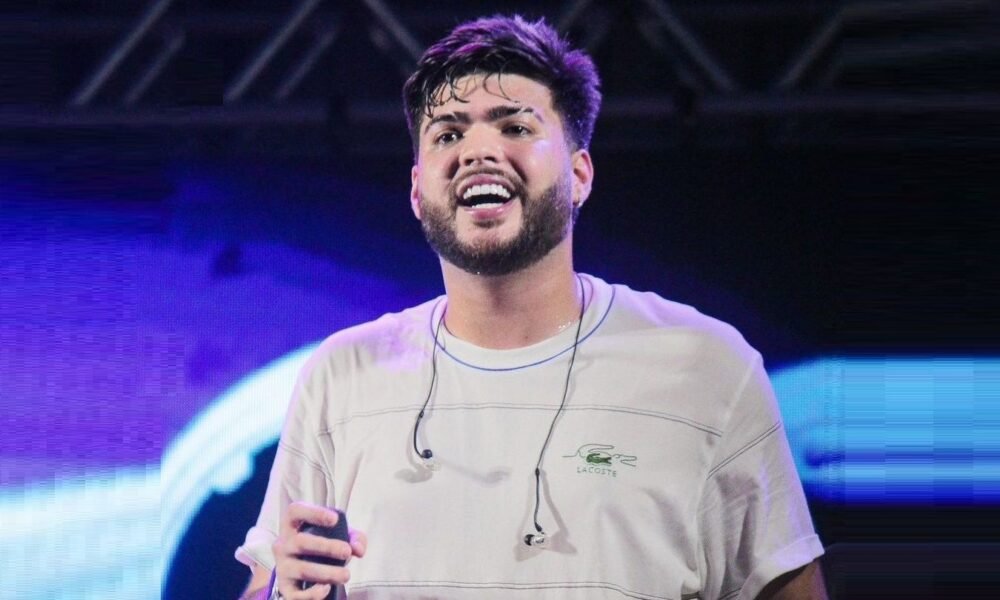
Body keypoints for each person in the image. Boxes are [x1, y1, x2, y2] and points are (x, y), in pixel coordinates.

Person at [236, 14, 827, 600]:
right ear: (417, 191)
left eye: (515, 127)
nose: (478, 152)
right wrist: (280, 594)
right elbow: (268, 586)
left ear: (580, 174)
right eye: (448, 135)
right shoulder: (341, 377)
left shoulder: (706, 368)